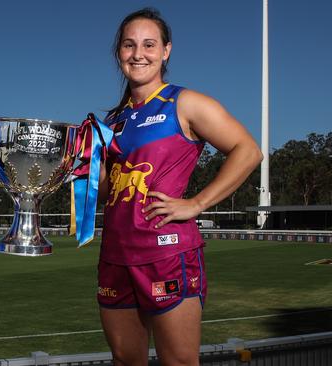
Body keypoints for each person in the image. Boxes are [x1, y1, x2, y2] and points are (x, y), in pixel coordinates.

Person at [96, 8, 262, 366]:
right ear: (119, 53)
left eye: (149, 44)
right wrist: (82, 165)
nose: (139, 53)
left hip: (167, 256)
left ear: (166, 51)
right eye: (129, 45)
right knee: (125, 361)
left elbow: (248, 150)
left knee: (180, 362)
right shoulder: (112, 120)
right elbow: (107, 193)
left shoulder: (184, 103)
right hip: (116, 256)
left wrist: (197, 203)